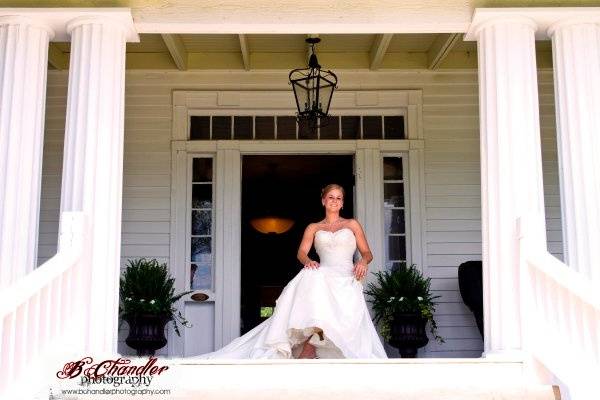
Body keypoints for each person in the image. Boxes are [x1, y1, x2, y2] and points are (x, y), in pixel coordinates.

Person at [195, 184, 387, 359]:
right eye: (331, 197)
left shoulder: (352, 224)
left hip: (346, 275)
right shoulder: (314, 227)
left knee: (322, 288)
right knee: (313, 279)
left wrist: (363, 261)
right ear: (323, 200)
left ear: (343, 203)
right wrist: (308, 261)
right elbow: (301, 252)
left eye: (338, 198)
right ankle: (311, 346)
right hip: (322, 272)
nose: (334, 201)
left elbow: (367, 252)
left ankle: (323, 348)